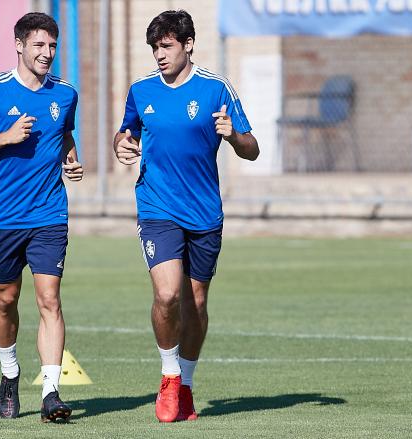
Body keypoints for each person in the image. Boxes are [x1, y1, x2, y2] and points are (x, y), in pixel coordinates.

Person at [113, 10, 259, 423]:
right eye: (155, 48)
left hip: (204, 212)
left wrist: (233, 135)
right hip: (157, 207)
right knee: (167, 295)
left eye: (167, 46)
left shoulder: (216, 89)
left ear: (189, 44)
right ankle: (169, 375)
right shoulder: (142, 90)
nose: (160, 55)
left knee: (195, 302)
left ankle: (189, 385)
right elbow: (125, 134)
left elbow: (252, 148)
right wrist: (120, 146)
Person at [0, 12, 83, 423]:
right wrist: (6, 138)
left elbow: (64, 134)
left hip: (49, 214)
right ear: (19, 45)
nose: (47, 54)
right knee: (6, 299)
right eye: (39, 46)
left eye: (52, 46)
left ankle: (50, 393)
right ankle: (10, 372)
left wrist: (72, 161)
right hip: (3, 218)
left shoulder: (65, 94)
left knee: (50, 299)